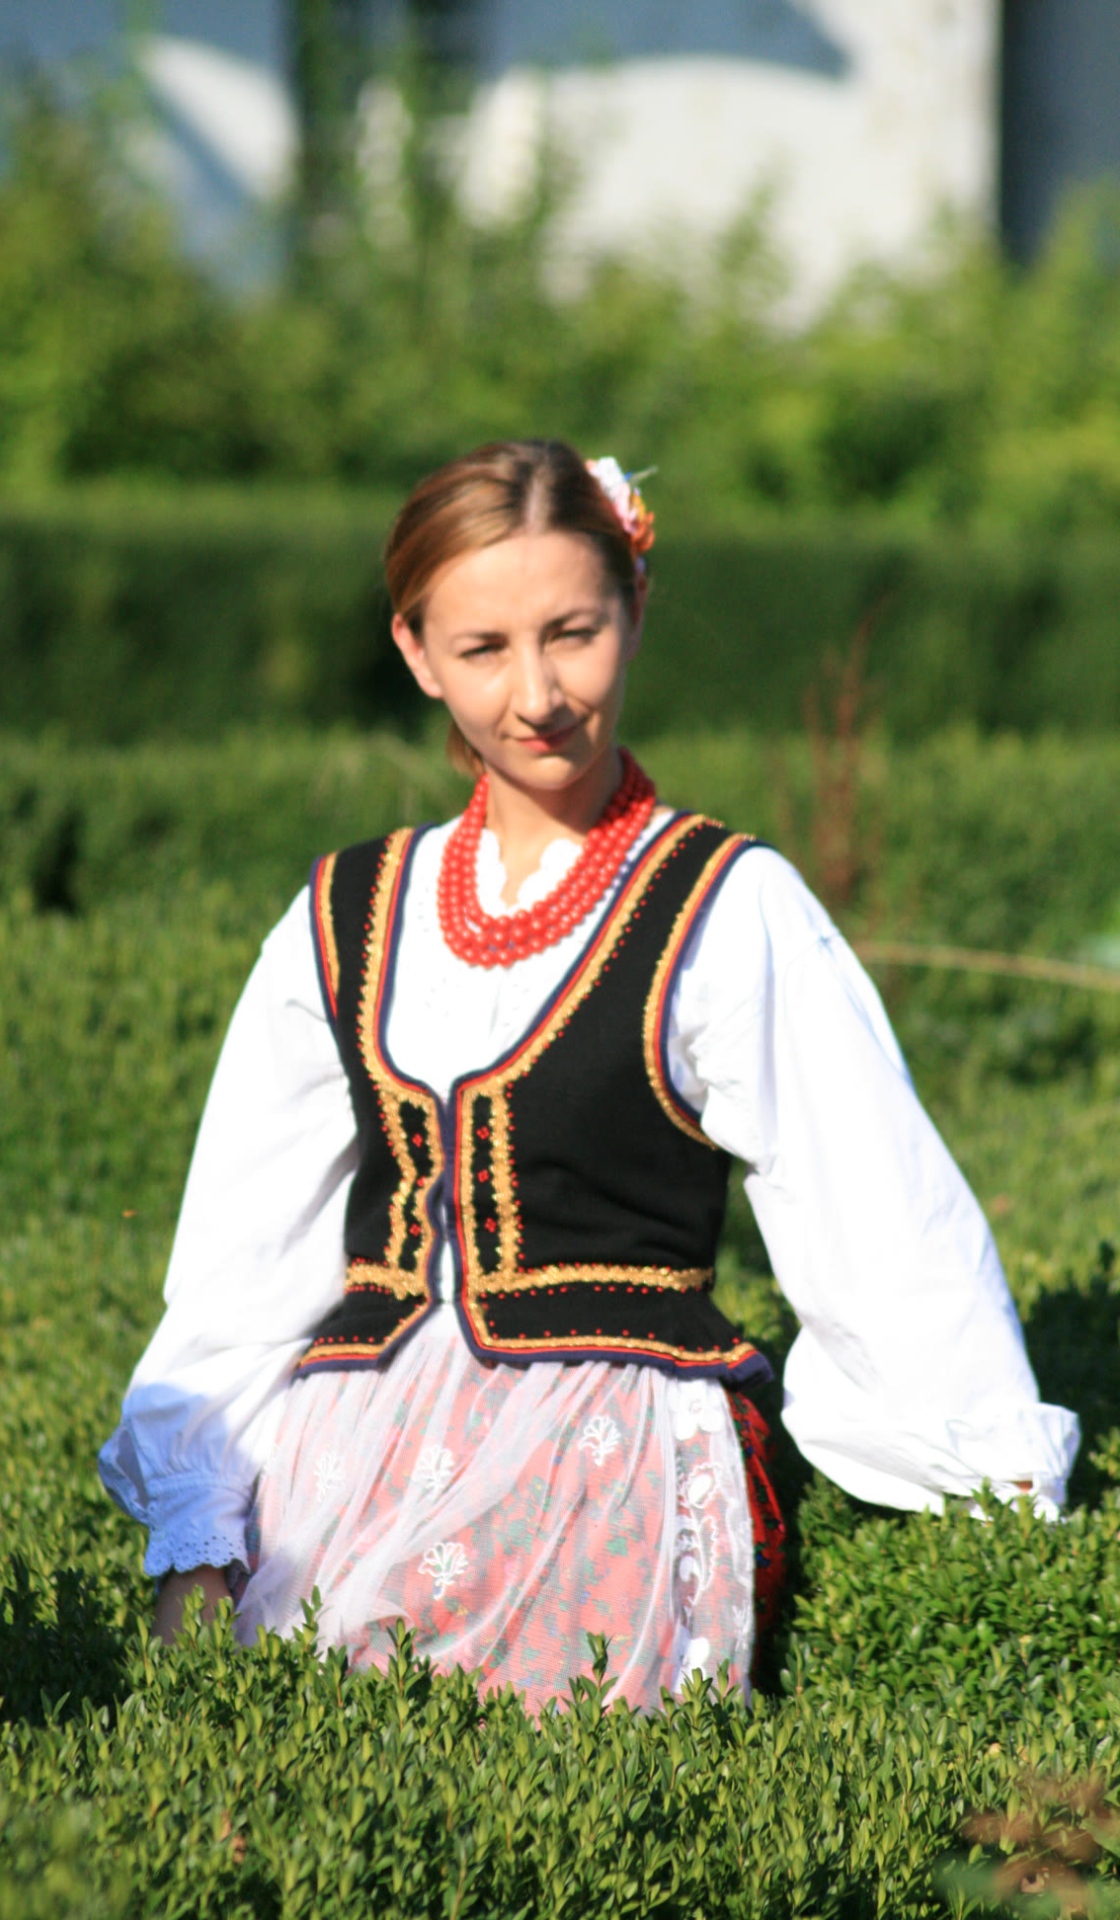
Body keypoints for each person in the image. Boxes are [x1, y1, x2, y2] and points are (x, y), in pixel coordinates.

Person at [99, 439, 1078, 1712]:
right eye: (481, 649)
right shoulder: (346, 911)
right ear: (414, 652)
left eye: (572, 633)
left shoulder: (723, 906)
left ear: (634, 607)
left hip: (605, 1454)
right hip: (348, 1456)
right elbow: (248, 1251)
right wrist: (196, 1532)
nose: (536, 695)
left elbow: (872, 1213)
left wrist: (994, 1497)